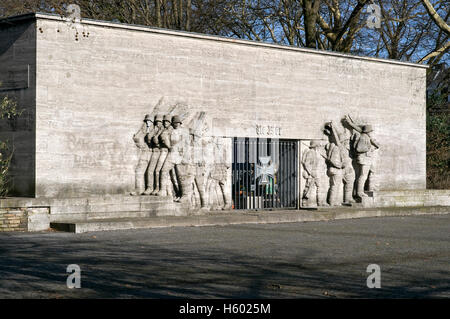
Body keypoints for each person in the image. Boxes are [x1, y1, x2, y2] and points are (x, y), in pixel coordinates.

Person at [344, 115, 380, 198]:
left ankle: (359, 191)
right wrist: (368, 148)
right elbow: (359, 148)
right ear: (368, 131)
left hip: (366, 158)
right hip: (364, 158)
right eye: (370, 131)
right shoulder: (364, 137)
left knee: (363, 175)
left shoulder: (366, 136)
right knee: (363, 176)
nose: (371, 132)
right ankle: (359, 192)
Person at [130, 114, 153, 196]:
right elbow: (137, 138)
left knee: (148, 172)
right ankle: (139, 189)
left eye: (149, 121)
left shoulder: (154, 130)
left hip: (151, 153)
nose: (147, 123)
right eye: (146, 121)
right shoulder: (144, 130)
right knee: (139, 171)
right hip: (145, 153)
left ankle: (147, 189)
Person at [302, 140, 328, 207]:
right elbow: (306, 163)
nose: (319, 147)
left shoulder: (315, 152)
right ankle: (304, 202)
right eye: (318, 145)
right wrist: (311, 172)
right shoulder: (311, 152)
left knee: (320, 187)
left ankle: (320, 202)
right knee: (308, 188)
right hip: (312, 173)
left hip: (316, 173)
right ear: (315, 146)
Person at [142, 114, 164, 195]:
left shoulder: (163, 129)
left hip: (161, 151)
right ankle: (150, 188)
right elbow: (149, 137)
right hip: (155, 151)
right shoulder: (154, 129)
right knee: (150, 170)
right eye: (157, 122)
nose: (158, 123)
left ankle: (157, 188)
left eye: (160, 122)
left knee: (157, 171)